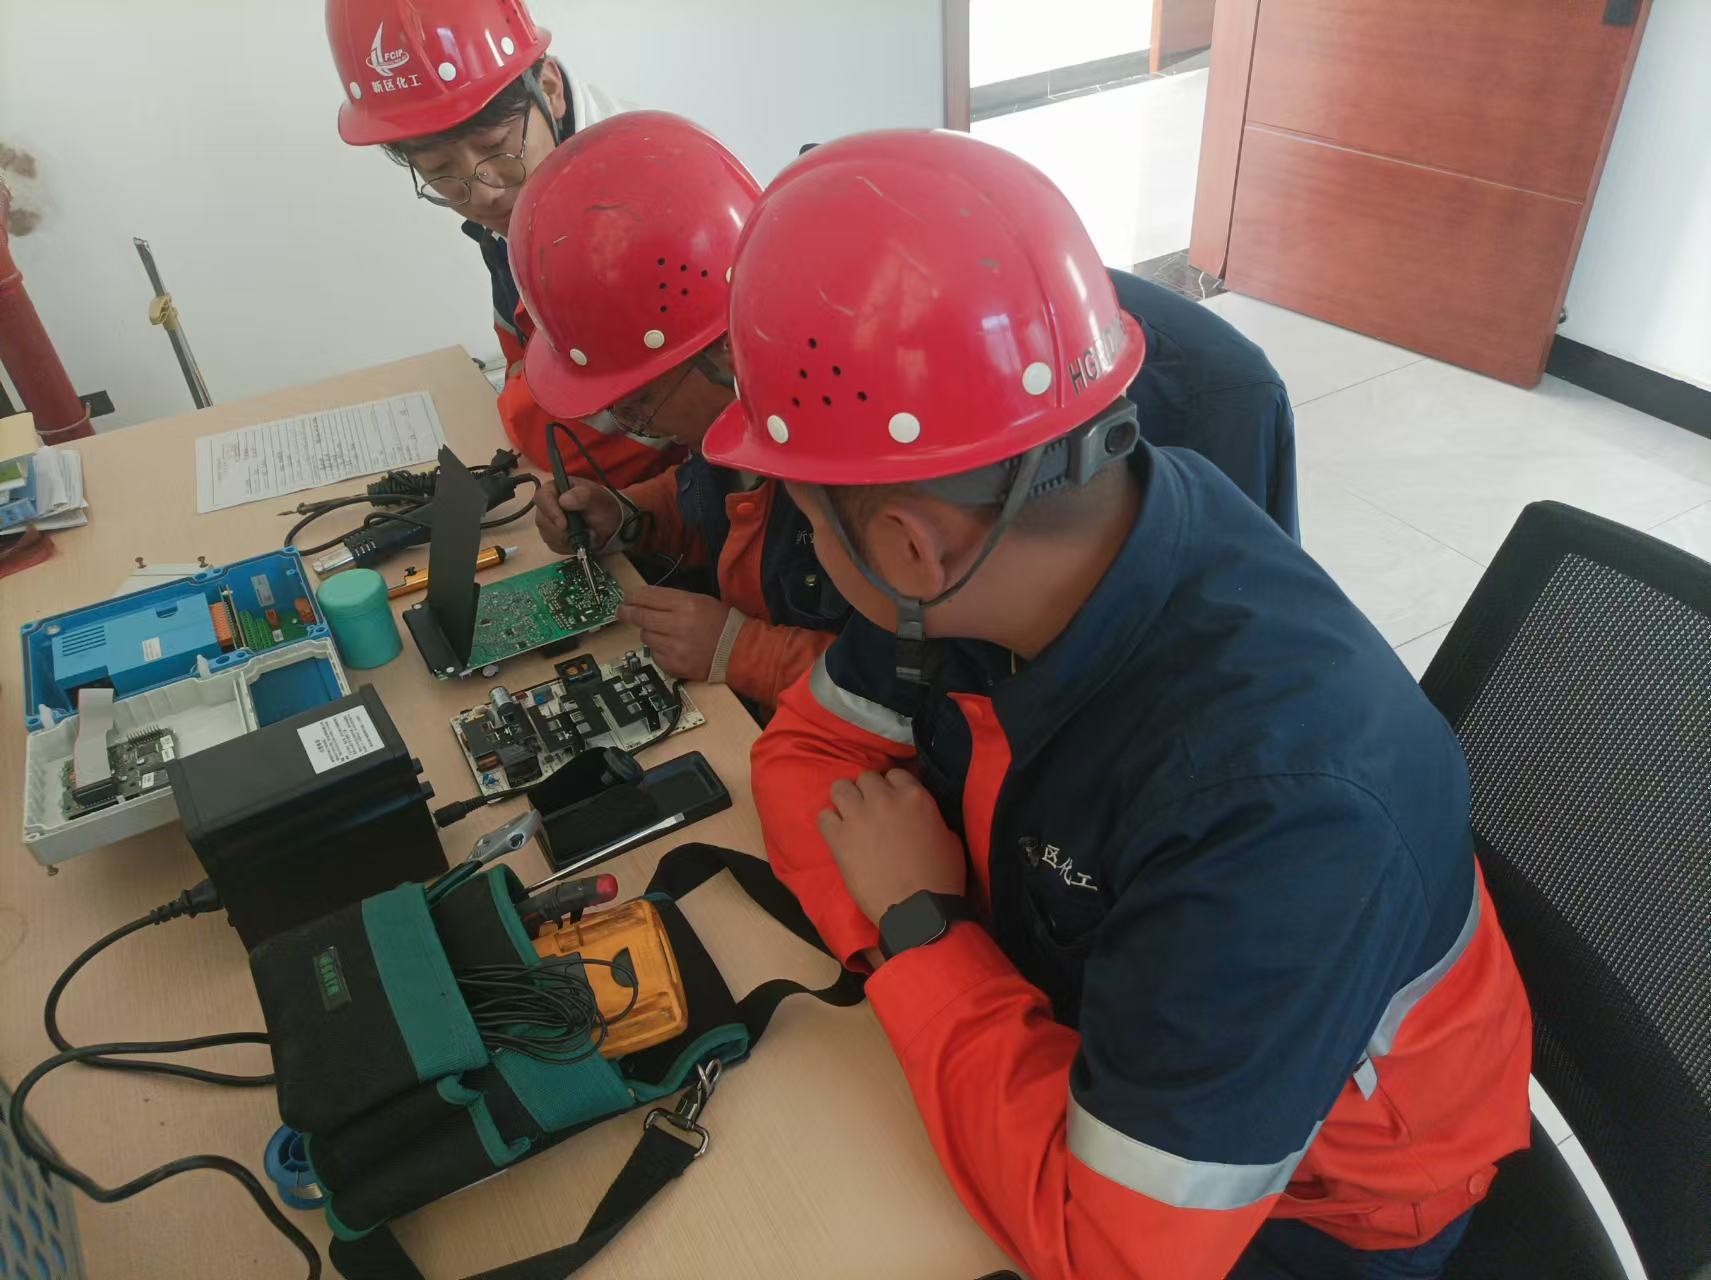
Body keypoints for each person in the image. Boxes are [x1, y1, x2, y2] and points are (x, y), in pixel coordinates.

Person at [701, 131, 1532, 1280]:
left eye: (802, 516)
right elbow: (804, 754)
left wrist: (919, 932)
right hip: (1100, 1060)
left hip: (1308, 1209)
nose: (804, 543)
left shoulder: (1277, 808)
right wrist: (924, 958)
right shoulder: (1016, 546)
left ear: (905, 543)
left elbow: (1113, 1251)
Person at [515, 112, 847, 711]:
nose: (632, 422)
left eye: (640, 399)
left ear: (725, 350)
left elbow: (928, 693)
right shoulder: (725, 419)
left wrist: (745, 651)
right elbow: (709, 500)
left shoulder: (851, 474)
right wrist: (628, 517)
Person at [325, 0, 677, 488]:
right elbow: (518, 349)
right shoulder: (529, 184)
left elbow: (585, 443)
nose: (483, 192)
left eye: (496, 147)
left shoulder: (640, 211)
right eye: (438, 171)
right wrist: (523, 391)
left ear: (549, 89)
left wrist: (518, 403)